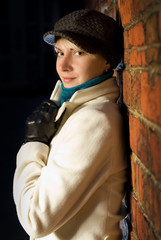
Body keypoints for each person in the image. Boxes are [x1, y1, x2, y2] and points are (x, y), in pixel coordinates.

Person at [13, 9, 127, 240]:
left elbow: (35, 219)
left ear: (107, 61)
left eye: (78, 52)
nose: (63, 65)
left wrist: (33, 143)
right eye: (59, 52)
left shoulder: (93, 121)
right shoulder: (74, 110)